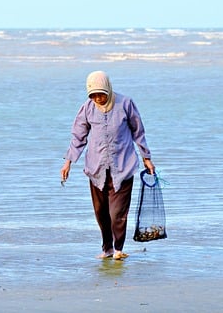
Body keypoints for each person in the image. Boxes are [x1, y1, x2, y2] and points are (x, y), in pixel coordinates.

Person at [60, 70, 155, 260]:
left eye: (101, 94)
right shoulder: (87, 108)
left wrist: (146, 157)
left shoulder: (125, 104)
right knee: (100, 212)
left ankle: (118, 249)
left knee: (117, 212)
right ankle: (107, 248)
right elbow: (78, 137)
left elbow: (138, 131)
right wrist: (68, 162)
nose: (98, 98)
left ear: (108, 89)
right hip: (96, 168)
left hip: (123, 166)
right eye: (93, 95)